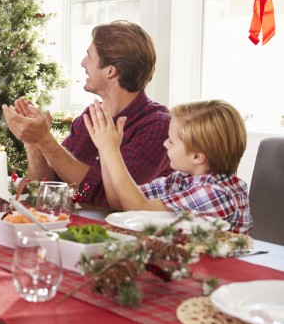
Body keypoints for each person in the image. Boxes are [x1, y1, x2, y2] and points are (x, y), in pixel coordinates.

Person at [3, 20, 171, 206]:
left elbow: (106, 199)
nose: (83, 63)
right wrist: (34, 143)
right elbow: (47, 187)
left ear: (110, 70)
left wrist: (45, 140)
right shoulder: (88, 117)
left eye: (89, 56)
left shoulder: (158, 127)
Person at [83, 99, 252, 234]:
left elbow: (138, 208)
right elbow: (119, 202)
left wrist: (111, 150)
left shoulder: (215, 193)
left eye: (171, 141)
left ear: (197, 157)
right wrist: (105, 149)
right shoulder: (180, 180)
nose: (165, 144)